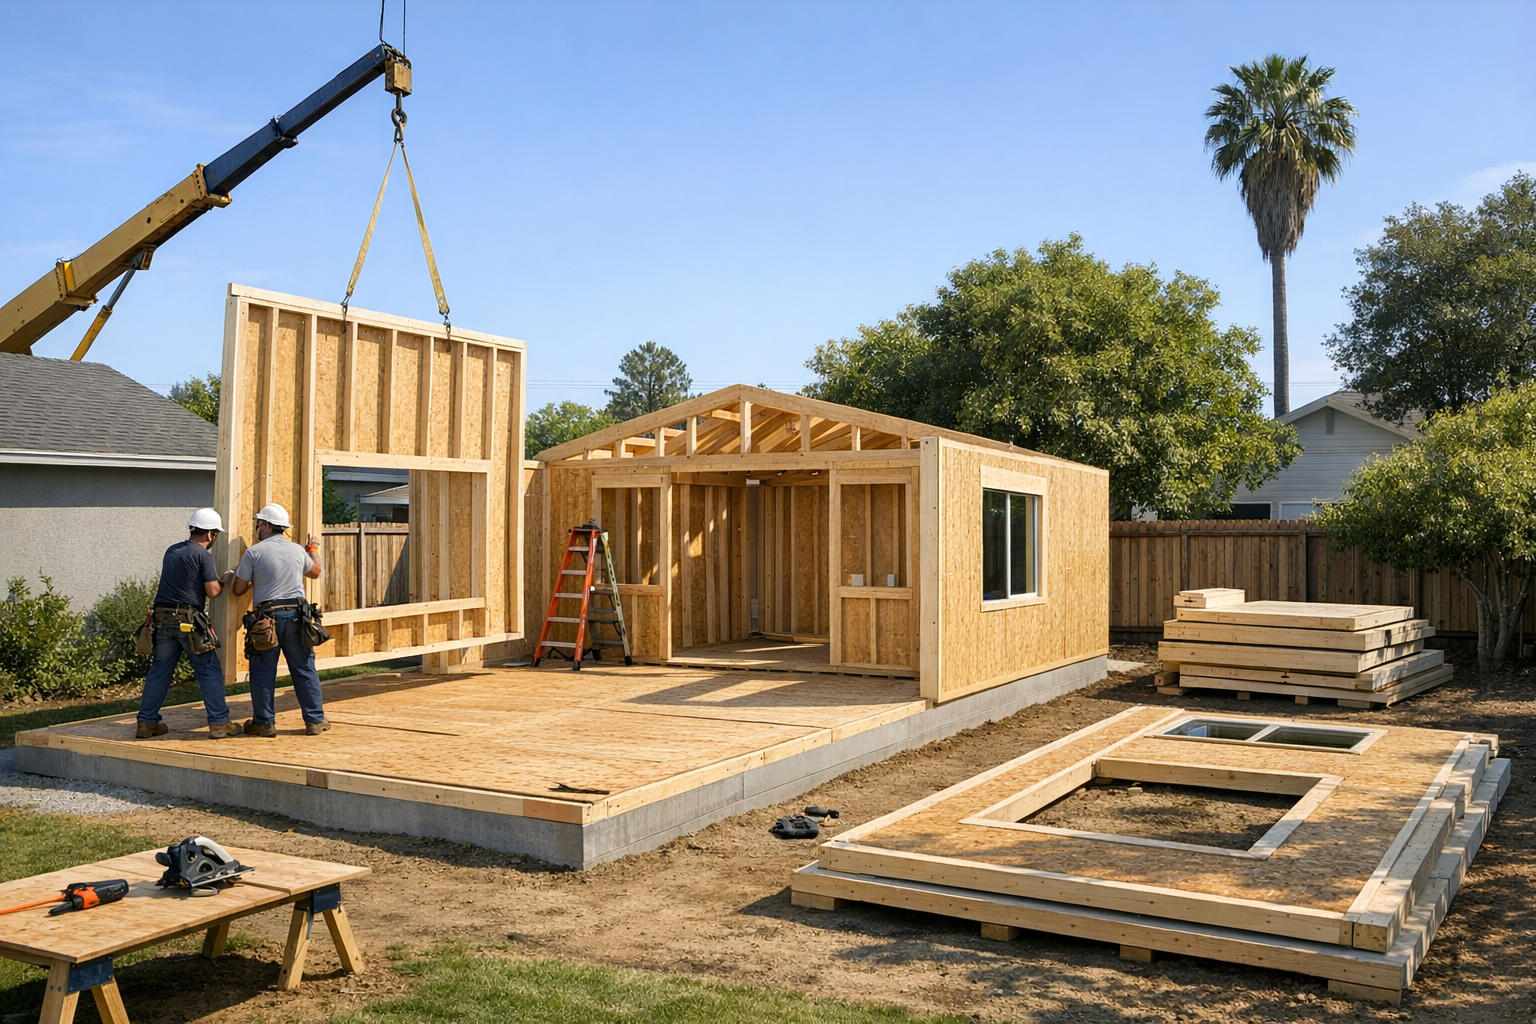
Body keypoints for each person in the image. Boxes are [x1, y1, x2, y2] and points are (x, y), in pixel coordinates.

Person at [137, 508, 239, 739]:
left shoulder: (172, 551)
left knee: (160, 670)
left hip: (162, 619)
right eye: (215, 534)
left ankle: (146, 723)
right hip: (188, 621)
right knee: (208, 669)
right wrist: (225, 580)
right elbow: (212, 592)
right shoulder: (204, 556)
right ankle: (219, 723)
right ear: (210, 534)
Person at [231, 502, 328, 736]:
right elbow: (315, 572)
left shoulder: (254, 553)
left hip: (267, 622)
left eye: (258, 525)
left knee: (263, 671)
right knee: (304, 669)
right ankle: (315, 721)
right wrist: (312, 549)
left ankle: (264, 723)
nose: (257, 529)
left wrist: (253, 579)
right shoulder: (297, 551)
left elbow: (237, 590)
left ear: (266, 525)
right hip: (297, 619)